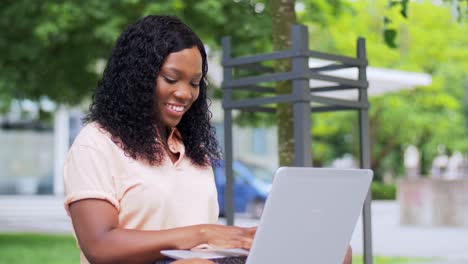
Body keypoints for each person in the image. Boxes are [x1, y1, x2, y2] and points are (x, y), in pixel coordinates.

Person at [63, 15, 254, 264]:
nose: (185, 93)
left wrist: (243, 241)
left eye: (194, 83)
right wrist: (204, 233)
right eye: (171, 79)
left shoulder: (193, 150)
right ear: (137, 77)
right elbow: (100, 246)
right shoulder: (96, 143)